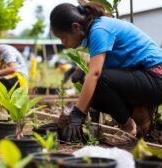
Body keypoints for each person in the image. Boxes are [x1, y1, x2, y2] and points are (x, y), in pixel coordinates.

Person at [50, 2, 162, 144]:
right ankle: (142, 118)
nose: (63, 43)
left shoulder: (99, 29)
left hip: (156, 76)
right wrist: (71, 116)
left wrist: (78, 114)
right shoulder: (95, 30)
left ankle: (128, 127)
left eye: (63, 38)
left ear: (76, 27)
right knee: (89, 86)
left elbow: (96, 74)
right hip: (146, 77)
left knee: (99, 80)